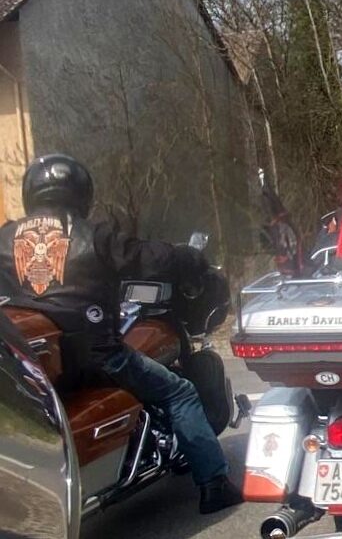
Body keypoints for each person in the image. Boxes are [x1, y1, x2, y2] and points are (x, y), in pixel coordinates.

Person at [0, 154, 243, 514]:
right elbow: (153, 259)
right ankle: (214, 485)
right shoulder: (93, 236)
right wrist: (190, 257)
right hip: (99, 358)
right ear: (81, 191)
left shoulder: (5, 238)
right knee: (180, 392)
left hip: (40, 363)